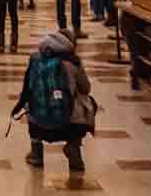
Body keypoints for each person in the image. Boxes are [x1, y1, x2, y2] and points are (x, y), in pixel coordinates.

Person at [11, 28, 94, 172]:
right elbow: (86, 88)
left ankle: (36, 152)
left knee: (31, 102)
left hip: (40, 122)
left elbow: (27, 90)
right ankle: (74, 147)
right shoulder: (74, 62)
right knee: (88, 102)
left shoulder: (36, 58)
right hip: (67, 122)